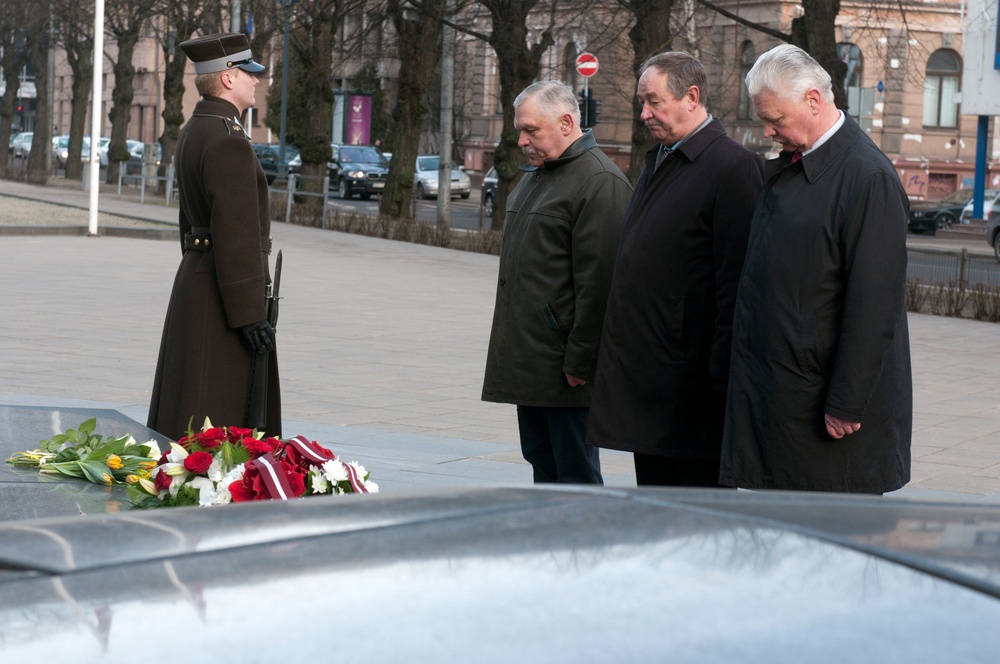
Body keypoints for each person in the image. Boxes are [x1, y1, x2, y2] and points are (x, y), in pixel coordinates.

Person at [719, 44, 912, 493]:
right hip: (785, 396)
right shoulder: (798, 165)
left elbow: (874, 306)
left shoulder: (868, 178)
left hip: (824, 413)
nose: (767, 131)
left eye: (775, 119)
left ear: (812, 100)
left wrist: (847, 401)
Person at [586, 52, 764, 487]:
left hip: (693, 395)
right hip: (652, 384)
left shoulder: (733, 167)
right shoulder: (662, 157)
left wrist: (722, 379)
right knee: (658, 517)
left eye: (654, 102)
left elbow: (736, 284)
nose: (644, 113)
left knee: (697, 525)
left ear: (692, 97)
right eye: (642, 103)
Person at [482, 80, 632, 484]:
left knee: (575, 474)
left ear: (566, 122)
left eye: (532, 130)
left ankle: (582, 546)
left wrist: (582, 360)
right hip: (532, 361)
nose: (522, 140)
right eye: (521, 130)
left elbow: (601, 284)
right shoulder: (538, 174)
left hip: (566, 370)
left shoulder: (599, 181)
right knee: (542, 463)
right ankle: (551, 543)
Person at [147, 32, 281, 442]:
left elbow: (190, 225)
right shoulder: (228, 140)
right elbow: (236, 234)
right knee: (216, 410)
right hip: (224, 298)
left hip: (198, 279)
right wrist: (249, 314)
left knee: (187, 400)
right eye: (248, 73)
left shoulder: (196, 129)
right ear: (226, 78)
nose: (256, 81)